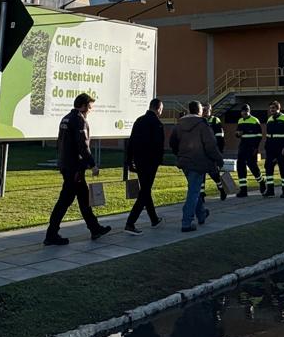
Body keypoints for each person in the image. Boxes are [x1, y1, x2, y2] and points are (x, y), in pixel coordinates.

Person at [44, 93, 113, 246]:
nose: (91, 110)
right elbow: (83, 146)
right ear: (82, 106)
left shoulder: (66, 118)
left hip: (67, 165)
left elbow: (60, 142)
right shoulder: (79, 120)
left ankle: (94, 228)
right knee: (65, 200)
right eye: (89, 106)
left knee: (83, 198)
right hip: (75, 168)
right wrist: (93, 164)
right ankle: (51, 234)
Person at [168, 100, 223, 231]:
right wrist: (219, 160)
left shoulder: (179, 124)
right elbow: (210, 145)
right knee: (193, 192)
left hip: (184, 162)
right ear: (199, 110)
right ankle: (186, 222)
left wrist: (180, 155)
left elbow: (172, 143)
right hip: (198, 162)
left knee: (195, 188)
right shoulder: (202, 124)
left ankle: (202, 214)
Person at [123, 98, 165, 234]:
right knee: (145, 192)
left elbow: (131, 142)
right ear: (158, 108)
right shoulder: (157, 123)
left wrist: (129, 161)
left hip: (139, 161)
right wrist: (159, 161)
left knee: (146, 190)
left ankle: (154, 219)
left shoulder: (139, 120)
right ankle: (130, 223)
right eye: (161, 109)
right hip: (150, 162)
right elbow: (159, 146)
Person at [263, 100, 284, 198]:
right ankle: (270, 190)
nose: (271, 110)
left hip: (282, 149)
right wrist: (266, 148)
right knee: (268, 168)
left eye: (273, 108)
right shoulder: (269, 120)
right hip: (271, 149)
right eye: (270, 108)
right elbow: (268, 136)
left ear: (278, 108)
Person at [233, 103, 266, 198]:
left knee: (253, 166)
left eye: (246, 111)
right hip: (242, 146)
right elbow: (237, 133)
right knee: (240, 167)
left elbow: (259, 136)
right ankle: (243, 190)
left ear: (249, 111)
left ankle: (261, 182)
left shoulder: (255, 120)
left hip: (252, 147)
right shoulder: (240, 121)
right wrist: (238, 134)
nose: (244, 113)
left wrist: (256, 148)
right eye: (243, 111)